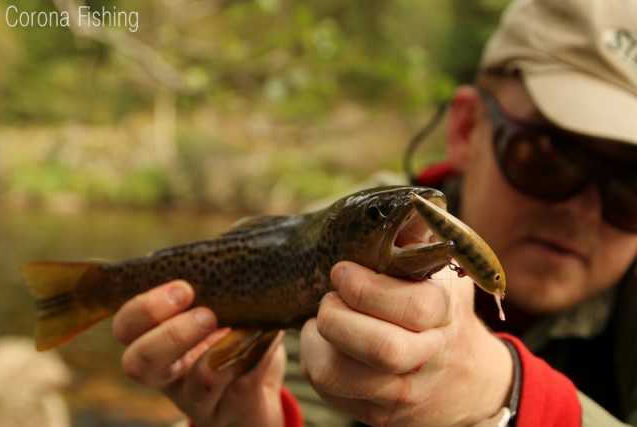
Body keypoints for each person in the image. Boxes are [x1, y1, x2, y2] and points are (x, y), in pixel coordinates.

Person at [111, 0, 637, 426]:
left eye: (631, 185)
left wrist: (504, 395)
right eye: (546, 157)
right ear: (467, 130)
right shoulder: (334, 241)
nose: (582, 211)